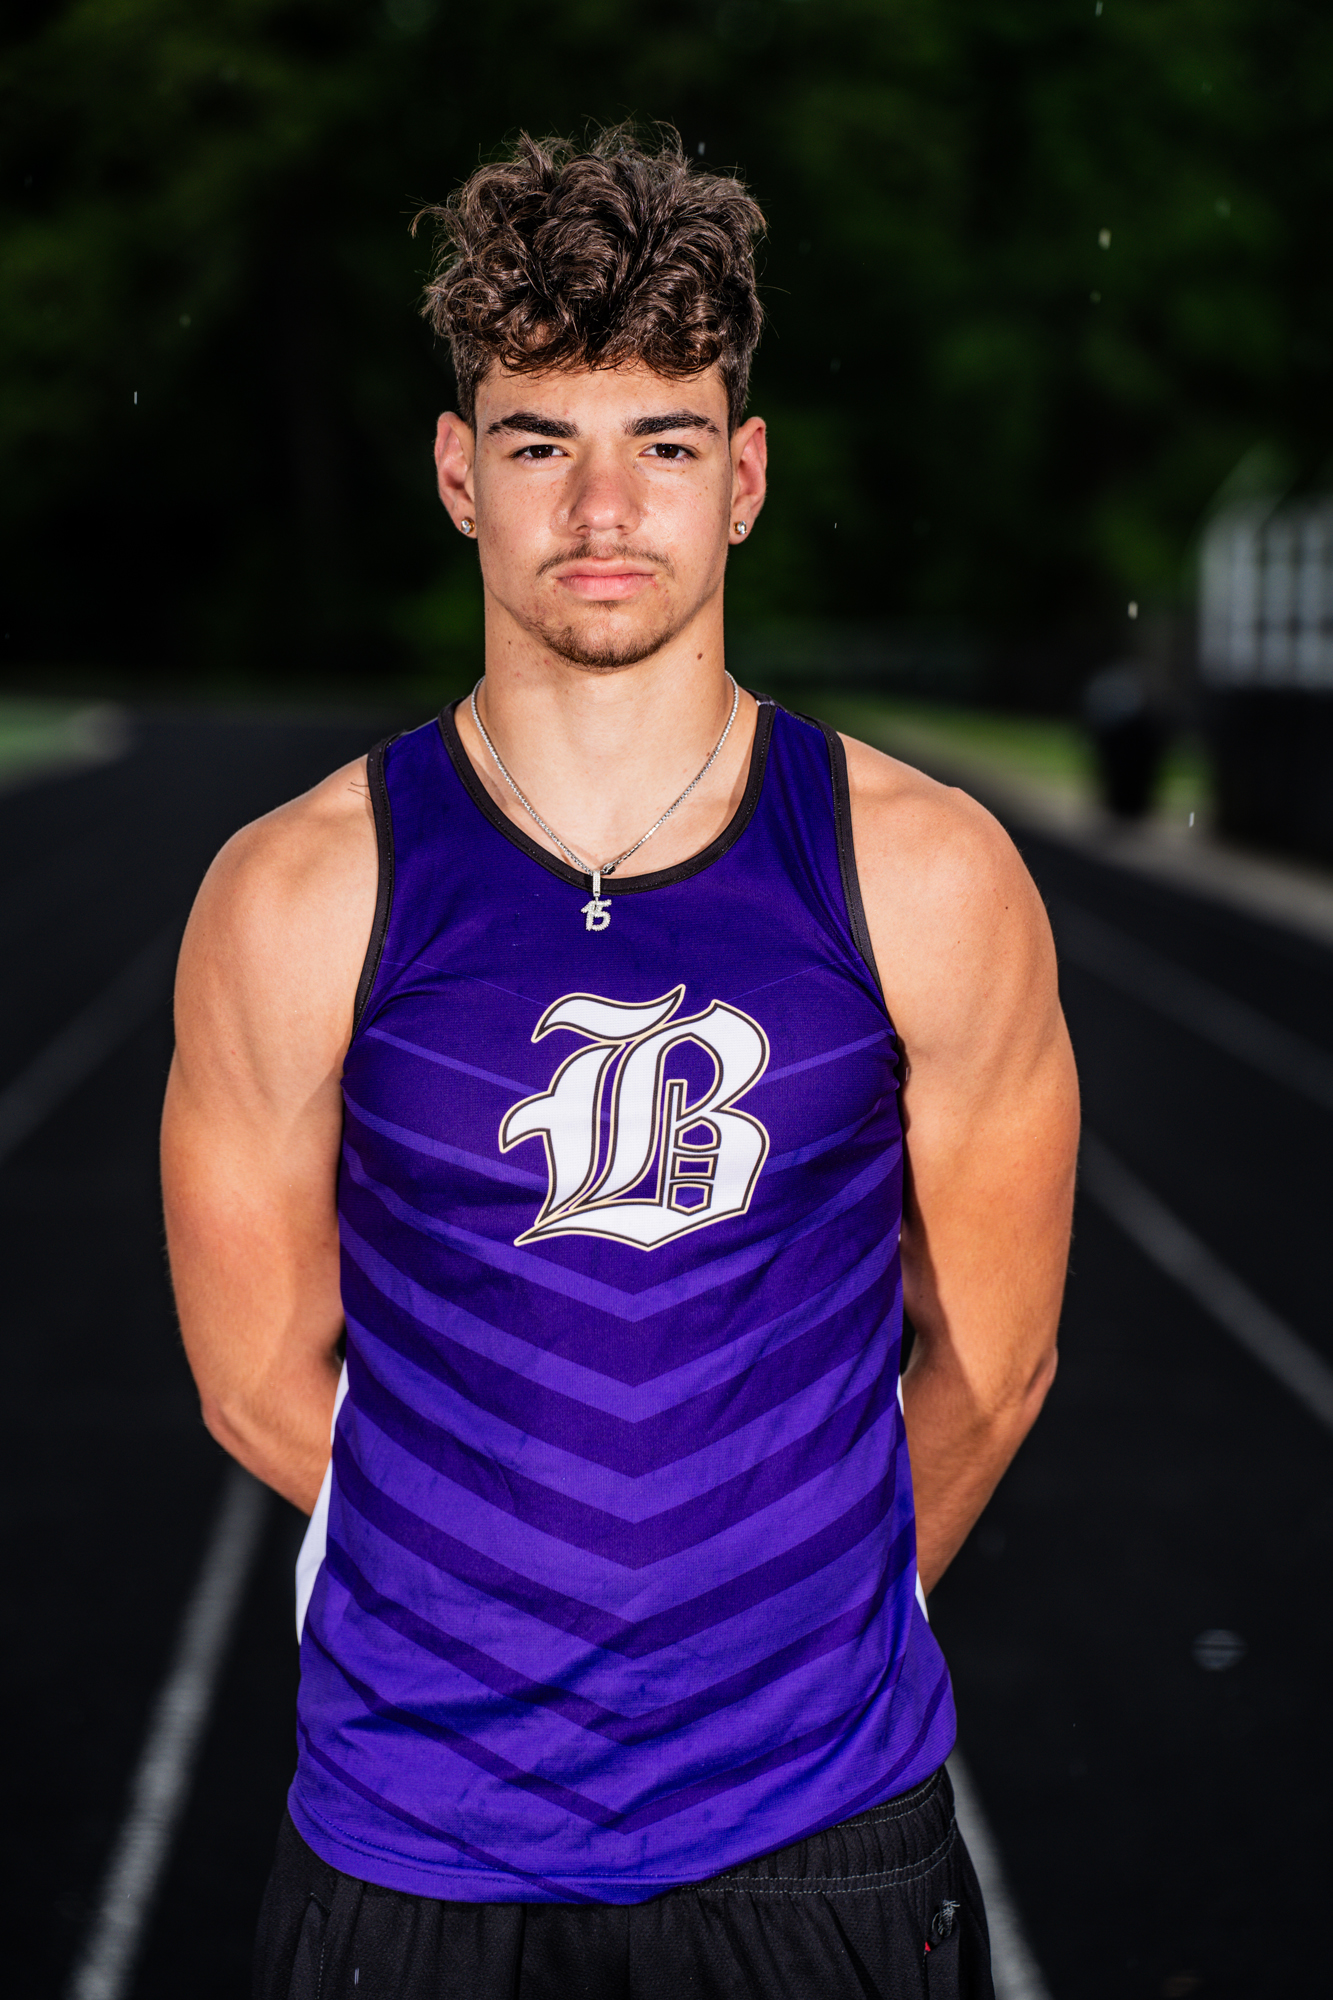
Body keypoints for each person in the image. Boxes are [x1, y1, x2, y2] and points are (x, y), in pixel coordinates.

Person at [162, 125, 1079, 2000]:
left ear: (742, 478)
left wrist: (769, 1642)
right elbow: (256, 1376)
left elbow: (991, 1367)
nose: (600, 508)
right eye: (538, 446)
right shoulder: (299, 890)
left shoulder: (925, 873)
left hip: (817, 1845)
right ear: (457, 474)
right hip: (415, 1843)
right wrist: (509, 1623)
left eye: (660, 443)